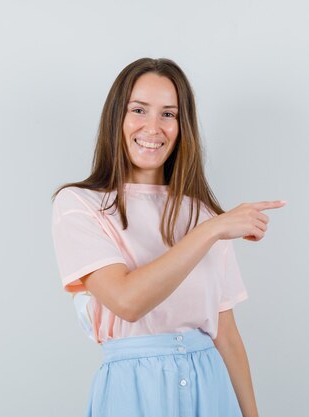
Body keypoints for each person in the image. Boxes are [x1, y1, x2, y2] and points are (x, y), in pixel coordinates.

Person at [50, 57, 286, 417]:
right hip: (133, 391)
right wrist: (212, 230)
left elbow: (227, 335)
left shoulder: (202, 213)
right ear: (117, 117)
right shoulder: (80, 204)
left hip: (211, 386)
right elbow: (127, 301)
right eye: (139, 110)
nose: (153, 127)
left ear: (182, 125)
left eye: (168, 114)